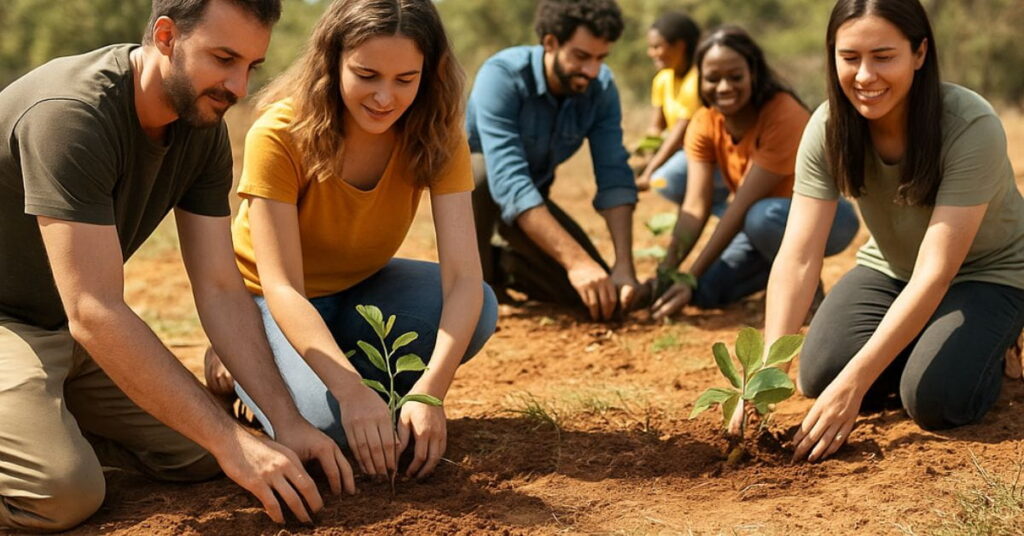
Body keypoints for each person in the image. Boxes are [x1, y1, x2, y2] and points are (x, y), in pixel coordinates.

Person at [0, 0, 353, 531]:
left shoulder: (199, 125)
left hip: (61, 328)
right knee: (60, 494)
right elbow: (94, 310)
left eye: (251, 66)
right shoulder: (71, 114)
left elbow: (219, 288)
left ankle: (47, 425)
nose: (237, 86)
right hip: (15, 325)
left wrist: (286, 422)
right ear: (166, 36)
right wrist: (235, 442)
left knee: (201, 456)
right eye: (223, 58)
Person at [203, 0, 498, 482]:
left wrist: (430, 393)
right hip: (267, 300)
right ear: (332, 60)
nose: (385, 97)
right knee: (331, 432)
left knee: (480, 308)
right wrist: (353, 393)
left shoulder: (438, 132)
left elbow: (465, 277)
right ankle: (243, 356)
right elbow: (283, 288)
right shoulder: (280, 133)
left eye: (406, 80)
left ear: (429, 72)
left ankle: (336, 377)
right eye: (366, 75)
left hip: (362, 288)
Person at [760, 0, 1024, 463]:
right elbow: (799, 257)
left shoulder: (969, 124)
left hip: (991, 272)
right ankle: (938, 344)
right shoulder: (827, 127)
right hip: (892, 267)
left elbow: (936, 272)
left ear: (919, 53)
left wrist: (857, 382)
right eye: (850, 58)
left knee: (935, 400)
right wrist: (762, 379)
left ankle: (997, 337)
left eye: (884, 57)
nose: (865, 76)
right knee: (820, 375)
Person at [646, 26, 860, 319]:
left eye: (735, 77)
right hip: (760, 227)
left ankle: (808, 292)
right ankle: (777, 272)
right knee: (706, 293)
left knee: (761, 216)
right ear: (700, 79)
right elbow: (695, 205)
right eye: (712, 78)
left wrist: (690, 273)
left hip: (826, 220)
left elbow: (742, 205)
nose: (723, 87)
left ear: (753, 74)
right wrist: (668, 273)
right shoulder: (704, 122)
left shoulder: (783, 114)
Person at [467, 0, 640, 321]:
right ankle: (475, 284)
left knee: (599, 297)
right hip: (481, 201)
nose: (592, 70)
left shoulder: (601, 87)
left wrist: (623, 268)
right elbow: (509, 182)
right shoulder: (501, 76)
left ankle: (504, 265)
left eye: (601, 58)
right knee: (478, 172)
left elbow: (614, 176)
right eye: (581, 56)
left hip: (533, 202)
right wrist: (575, 262)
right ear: (550, 43)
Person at [634, 11, 704, 197]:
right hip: (679, 152)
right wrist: (645, 153)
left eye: (657, 47)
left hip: (699, 153)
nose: (651, 53)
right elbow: (656, 127)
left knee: (663, 181)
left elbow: (678, 136)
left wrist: (649, 173)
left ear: (680, 47)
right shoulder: (662, 80)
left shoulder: (696, 80)